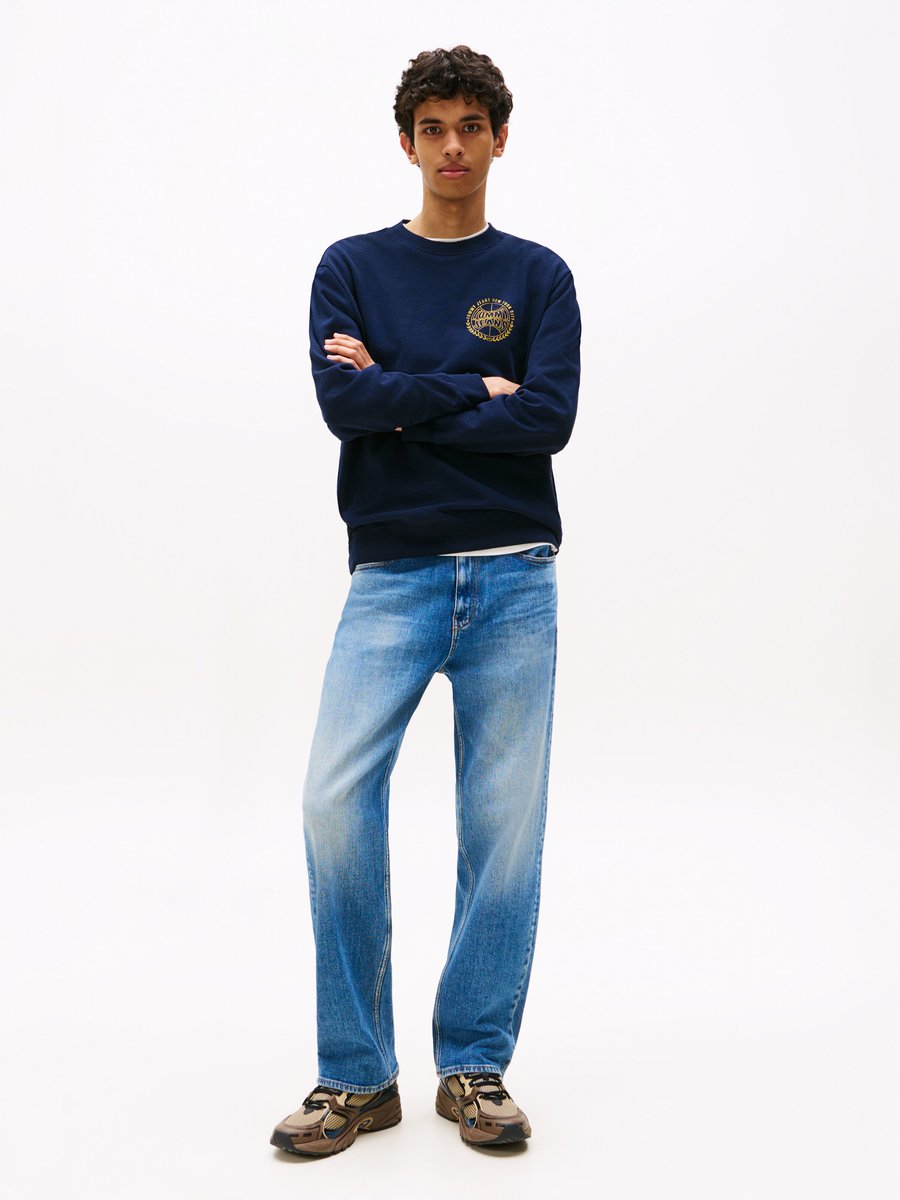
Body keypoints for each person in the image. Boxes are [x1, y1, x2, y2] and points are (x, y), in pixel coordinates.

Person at [270, 44, 580, 1157]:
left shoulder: (539, 276)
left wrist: (400, 395)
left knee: (503, 827)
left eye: (471, 127)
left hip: (515, 576)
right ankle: (356, 1076)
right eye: (434, 129)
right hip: (391, 576)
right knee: (332, 800)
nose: (453, 147)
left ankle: (475, 1066)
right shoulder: (351, 267)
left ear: (501, 138)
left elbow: (547, 419)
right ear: (406, 143)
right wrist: (471, 388)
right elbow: (343, 407)